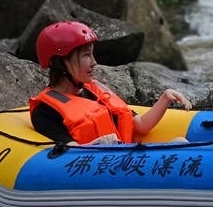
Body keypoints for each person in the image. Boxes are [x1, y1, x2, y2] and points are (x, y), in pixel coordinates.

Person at [30, 21, 192, 146]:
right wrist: (97, 145)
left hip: (125, 159)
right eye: (86, 56)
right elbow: (69, 153)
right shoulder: (45, 113)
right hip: (101, 171)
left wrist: (165, 98)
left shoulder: (95, 91)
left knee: (181, 142)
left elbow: (141, 125)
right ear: (60, 63)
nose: (94, 63)